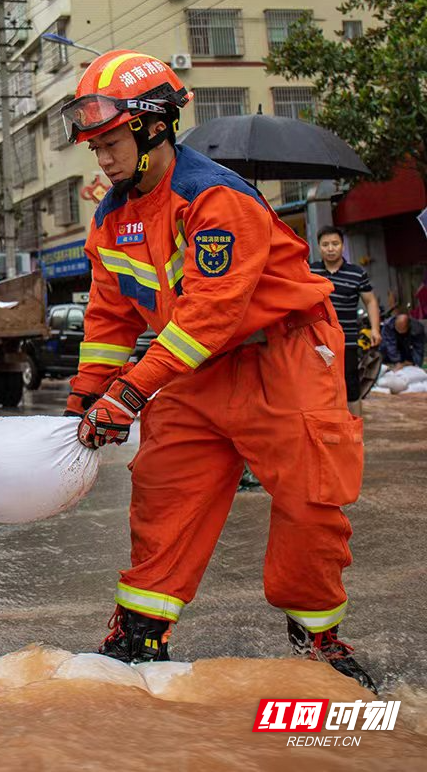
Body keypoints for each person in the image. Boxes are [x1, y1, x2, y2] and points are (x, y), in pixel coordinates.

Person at [61, 49, 374, 690]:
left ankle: (318, 637)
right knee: (164, 496)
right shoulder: (109, 218)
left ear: (153, 127)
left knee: (311, 501)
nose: (104, 158)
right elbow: (109, 315)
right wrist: (88, 394)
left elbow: (211, 312)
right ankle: (140, 634)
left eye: (112, 142)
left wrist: (130, 392)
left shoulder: (216, 201)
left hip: (280, 354)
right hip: (188, 368)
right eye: (95, 147)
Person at [310, 226, 381, 416]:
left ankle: (356, 433)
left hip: (346, 340)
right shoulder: (310, 271)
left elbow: (371, 300)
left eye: (335, 243)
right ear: (319, 247)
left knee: (350, 383)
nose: (330, 248)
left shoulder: (356, 273)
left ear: (342, 246)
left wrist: (375, 329)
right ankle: (327, 428)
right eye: (325, 244)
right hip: (318, 340)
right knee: (319, 385)